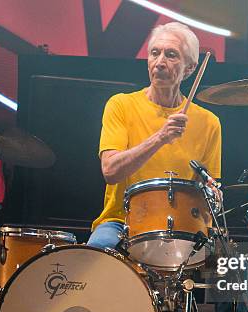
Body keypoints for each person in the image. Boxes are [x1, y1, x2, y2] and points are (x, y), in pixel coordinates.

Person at [87, 22, 222, 250]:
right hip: (122, 222)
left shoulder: (209, 122)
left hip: (181, 226)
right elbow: (110, 171)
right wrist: (161, 137)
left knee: (221, 268)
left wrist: (214, 195)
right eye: (154, 53)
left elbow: (208, 191)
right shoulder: (121, 105)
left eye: (171, 55)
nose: (159, 62)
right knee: (96, 253)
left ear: (189, 68)